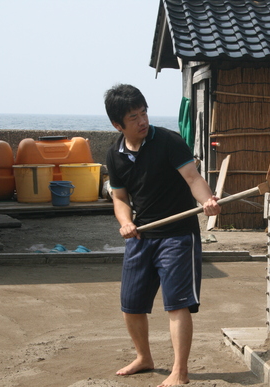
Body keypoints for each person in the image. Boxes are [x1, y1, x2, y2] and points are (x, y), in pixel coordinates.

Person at [104, 84, 220, 387]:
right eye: (133, 117)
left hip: (177, 236)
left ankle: (179, 371)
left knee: (176, 305)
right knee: (131, 305)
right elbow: (119, 199)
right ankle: (144, 357)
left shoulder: (169, 141)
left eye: (144, 113)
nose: (142, 121)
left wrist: (206, 201)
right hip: (142, 236)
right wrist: (126, 222)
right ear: (118, 125)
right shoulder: (114, 155)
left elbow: (193, 178)